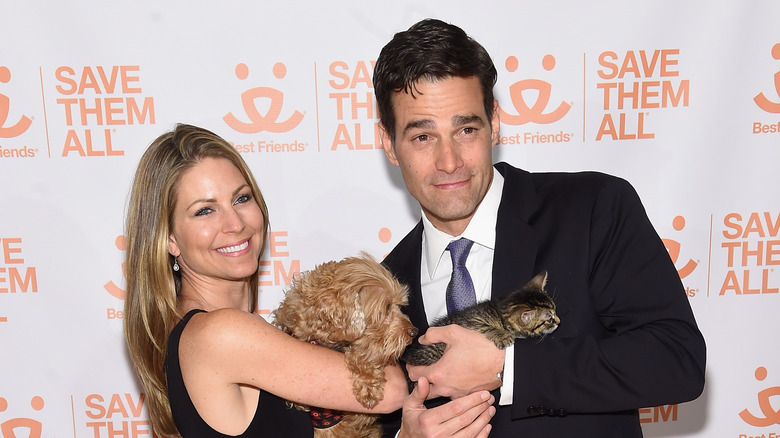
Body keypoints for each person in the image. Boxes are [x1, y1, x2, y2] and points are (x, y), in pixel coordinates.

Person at [373, 18, 707, 437]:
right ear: (388, 143)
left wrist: (505, 366)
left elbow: (677, 361)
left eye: (466, 129)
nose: (449, 161)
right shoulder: (384, 289)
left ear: (494, 122)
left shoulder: (592, 209)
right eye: (423, 137)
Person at [122, 124, 418, 437]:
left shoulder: (195, 328)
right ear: (169, 239)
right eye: (205, 210)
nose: (234, 223)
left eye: (241, 199)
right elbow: (391, 389)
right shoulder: (221, 333)